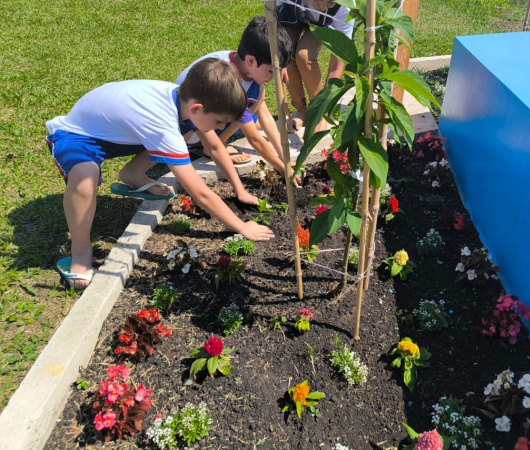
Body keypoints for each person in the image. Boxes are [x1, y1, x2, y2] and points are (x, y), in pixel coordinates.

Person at [46, 58, 274, 290]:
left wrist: (240, 189)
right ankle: (81, 250)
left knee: (180, 134)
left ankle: (133, 174)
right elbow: (201, 194)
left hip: (114, 133)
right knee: (86, 178)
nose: (218, 127)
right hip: (76, 134)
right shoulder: (163, 122)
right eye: (218, 121)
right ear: (198, 108)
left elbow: (215, 147)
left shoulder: (183, 103)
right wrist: (242, 226)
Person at [176, 17, 300, 187]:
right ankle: (213, 145)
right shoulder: (230, 82)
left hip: (203, 117)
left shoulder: (240, 61)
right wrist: (282, 168)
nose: (275, 77)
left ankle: (218, 140)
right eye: (271, 71)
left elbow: (266, 118)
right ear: (251, 61)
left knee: (258, 98)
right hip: (189, 130)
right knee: (253, 111)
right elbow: (254, 139)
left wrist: (284, 157)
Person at [276, 0, 354, 132]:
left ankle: (317, 111)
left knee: (304, 56)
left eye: (330, 2)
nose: (324, 7)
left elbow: (336, 65)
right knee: (286, 51)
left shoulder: (344, 8)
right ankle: (302, 110)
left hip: (326, 24)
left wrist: (323, 109)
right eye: (319, 1)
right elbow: (272, 15)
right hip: (294, 12)